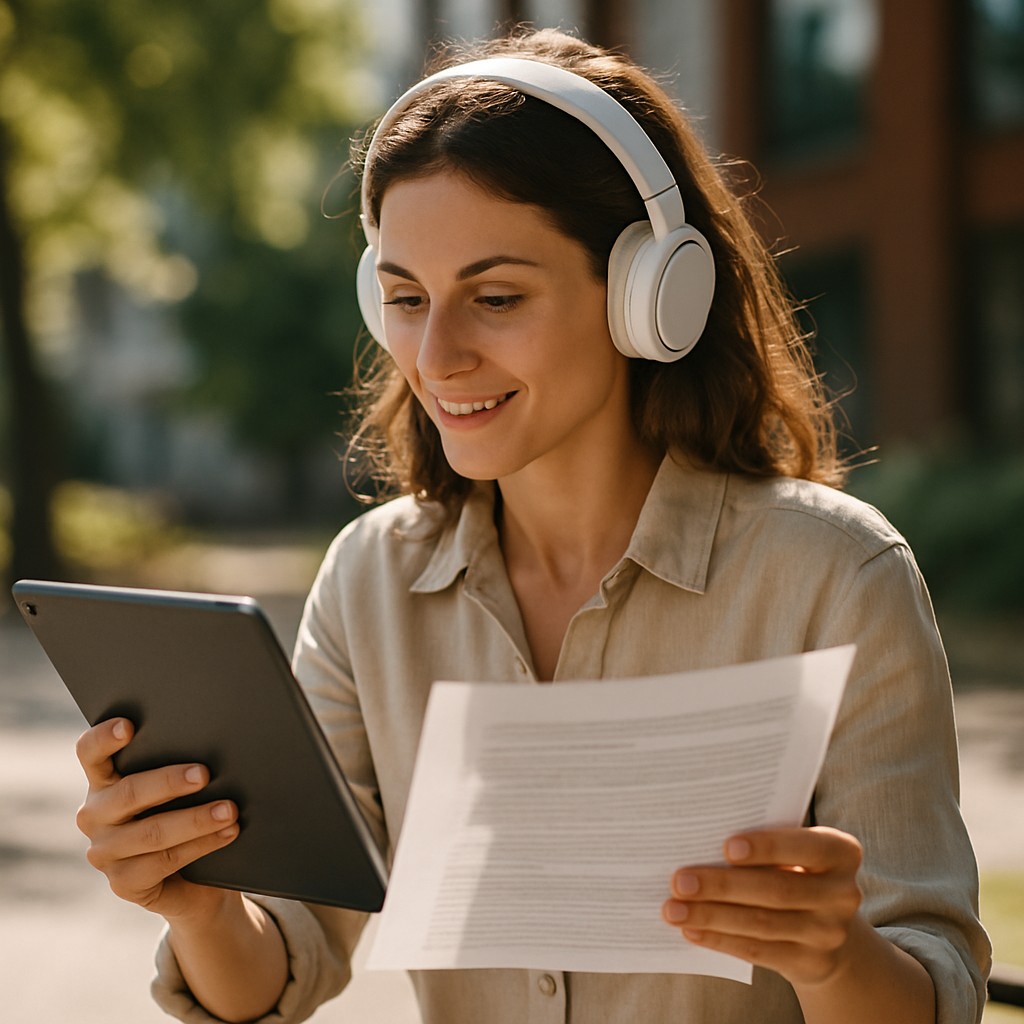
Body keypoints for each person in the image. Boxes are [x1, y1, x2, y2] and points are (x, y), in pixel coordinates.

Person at [73, 27, 990, 1024]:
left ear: (650, 295)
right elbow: (287, 964)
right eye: (406, 299)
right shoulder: (369, 582)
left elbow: (927, 984)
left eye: (496, 297)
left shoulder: (835, 577)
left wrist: (832, 956)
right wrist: (205, 909)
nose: (437, 354)